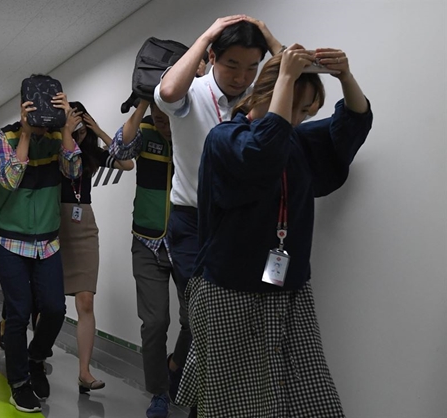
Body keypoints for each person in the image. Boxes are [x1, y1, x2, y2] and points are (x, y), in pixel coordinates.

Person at [176, 45, 372, 418]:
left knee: (304, 396)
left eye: (307, 111)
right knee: (227, 401)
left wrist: (345, 77)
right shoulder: (225, 140)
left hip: (288, 291)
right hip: (228, 292)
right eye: (298, 108)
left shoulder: (295, 139)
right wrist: (284, 76)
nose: (300, 119)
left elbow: (351, 125)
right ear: (268, 92)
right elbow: (261, 154)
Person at [153, 16, 282, 405]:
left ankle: (194, 386)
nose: (242, 77)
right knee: (202, 312)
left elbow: (298, 76)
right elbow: (167, 91)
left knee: (231, 315)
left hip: (242, 223)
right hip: (192, 221)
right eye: (232, 65)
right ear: (212, 57)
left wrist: (269, 38)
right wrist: (208, 33)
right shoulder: (191, 94)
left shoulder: (259, 97)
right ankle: (180, 379)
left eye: (251, 67)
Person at [0, 78, 81, 413]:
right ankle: (19, 383)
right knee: (18, 311)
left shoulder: (59, 138)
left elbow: (74, 172)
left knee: (55, 308)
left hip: (47, 241)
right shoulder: (4, 137)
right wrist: (27, 135)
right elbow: (11, 179)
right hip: (9, 240)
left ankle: (36, 357)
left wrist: (68, 130)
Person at [109, 99, 182, 418]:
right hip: (147, 241)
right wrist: (141, 110)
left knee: (198, 320)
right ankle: (160, 392)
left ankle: (176, 365)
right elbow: (119, 151)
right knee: (154, 323)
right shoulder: (145, 129)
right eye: (158, 117)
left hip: (188, 241)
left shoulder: (196, 130)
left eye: (169, 118)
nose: (163, 124)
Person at [60, 101, 133, 394]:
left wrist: (100, 131)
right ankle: (35, 358)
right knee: (46, 300)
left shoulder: (91, 150)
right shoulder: (54, 145)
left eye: (79, 117)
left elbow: (127, 164)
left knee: (85, 300)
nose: (75, 121)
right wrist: (64, 131)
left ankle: (84, 372)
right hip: (52, 221)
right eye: (70, 117)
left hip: (83, 223)